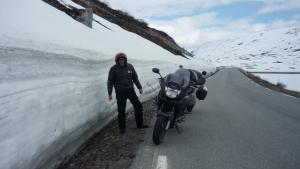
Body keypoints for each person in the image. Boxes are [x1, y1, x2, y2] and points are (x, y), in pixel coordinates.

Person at [107, 52, 149, 134]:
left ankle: (140, 125)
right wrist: (110, 93)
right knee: (121, 111)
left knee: (138, 106)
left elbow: (135, 78)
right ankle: (122, 128)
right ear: (117, 60)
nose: (121, 61)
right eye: (120, 60)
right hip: (120, 92)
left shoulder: (130, 67)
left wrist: (139, 87)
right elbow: (110, 82)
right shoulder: (113, 69)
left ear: (125, 60)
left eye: (123, 59)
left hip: (130, 91)